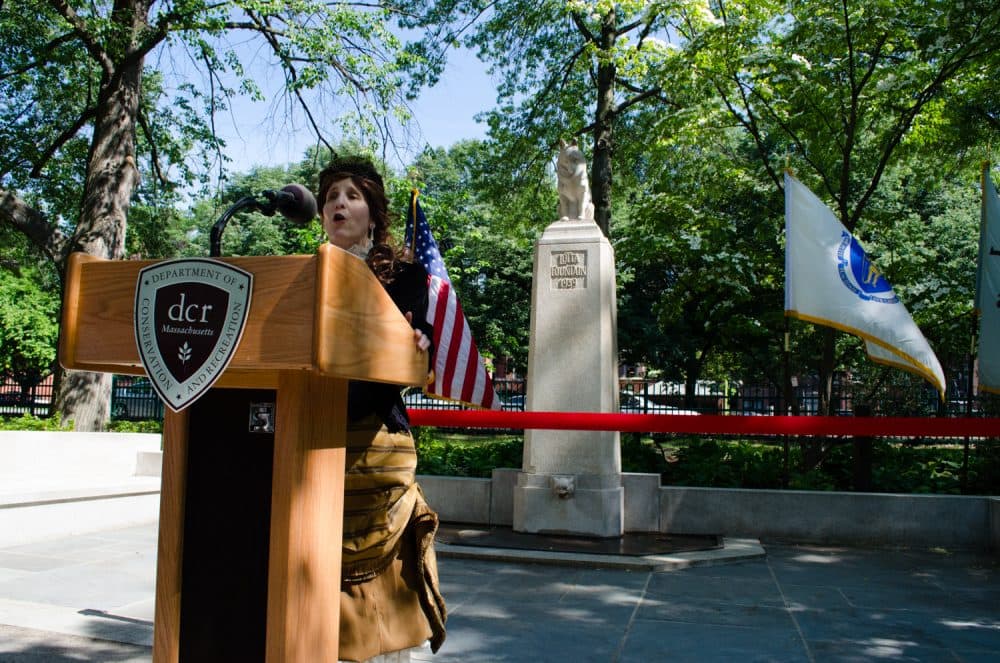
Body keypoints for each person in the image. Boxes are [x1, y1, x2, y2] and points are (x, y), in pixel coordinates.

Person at [317, 156, 446, 662]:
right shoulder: (303, 278)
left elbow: (411, 344)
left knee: (376, 590)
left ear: (373, 213)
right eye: (330, 197)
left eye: (351, 195)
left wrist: (422, 338)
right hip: (307, 439)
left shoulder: (404, 275)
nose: (339, 204)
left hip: (371, 442)